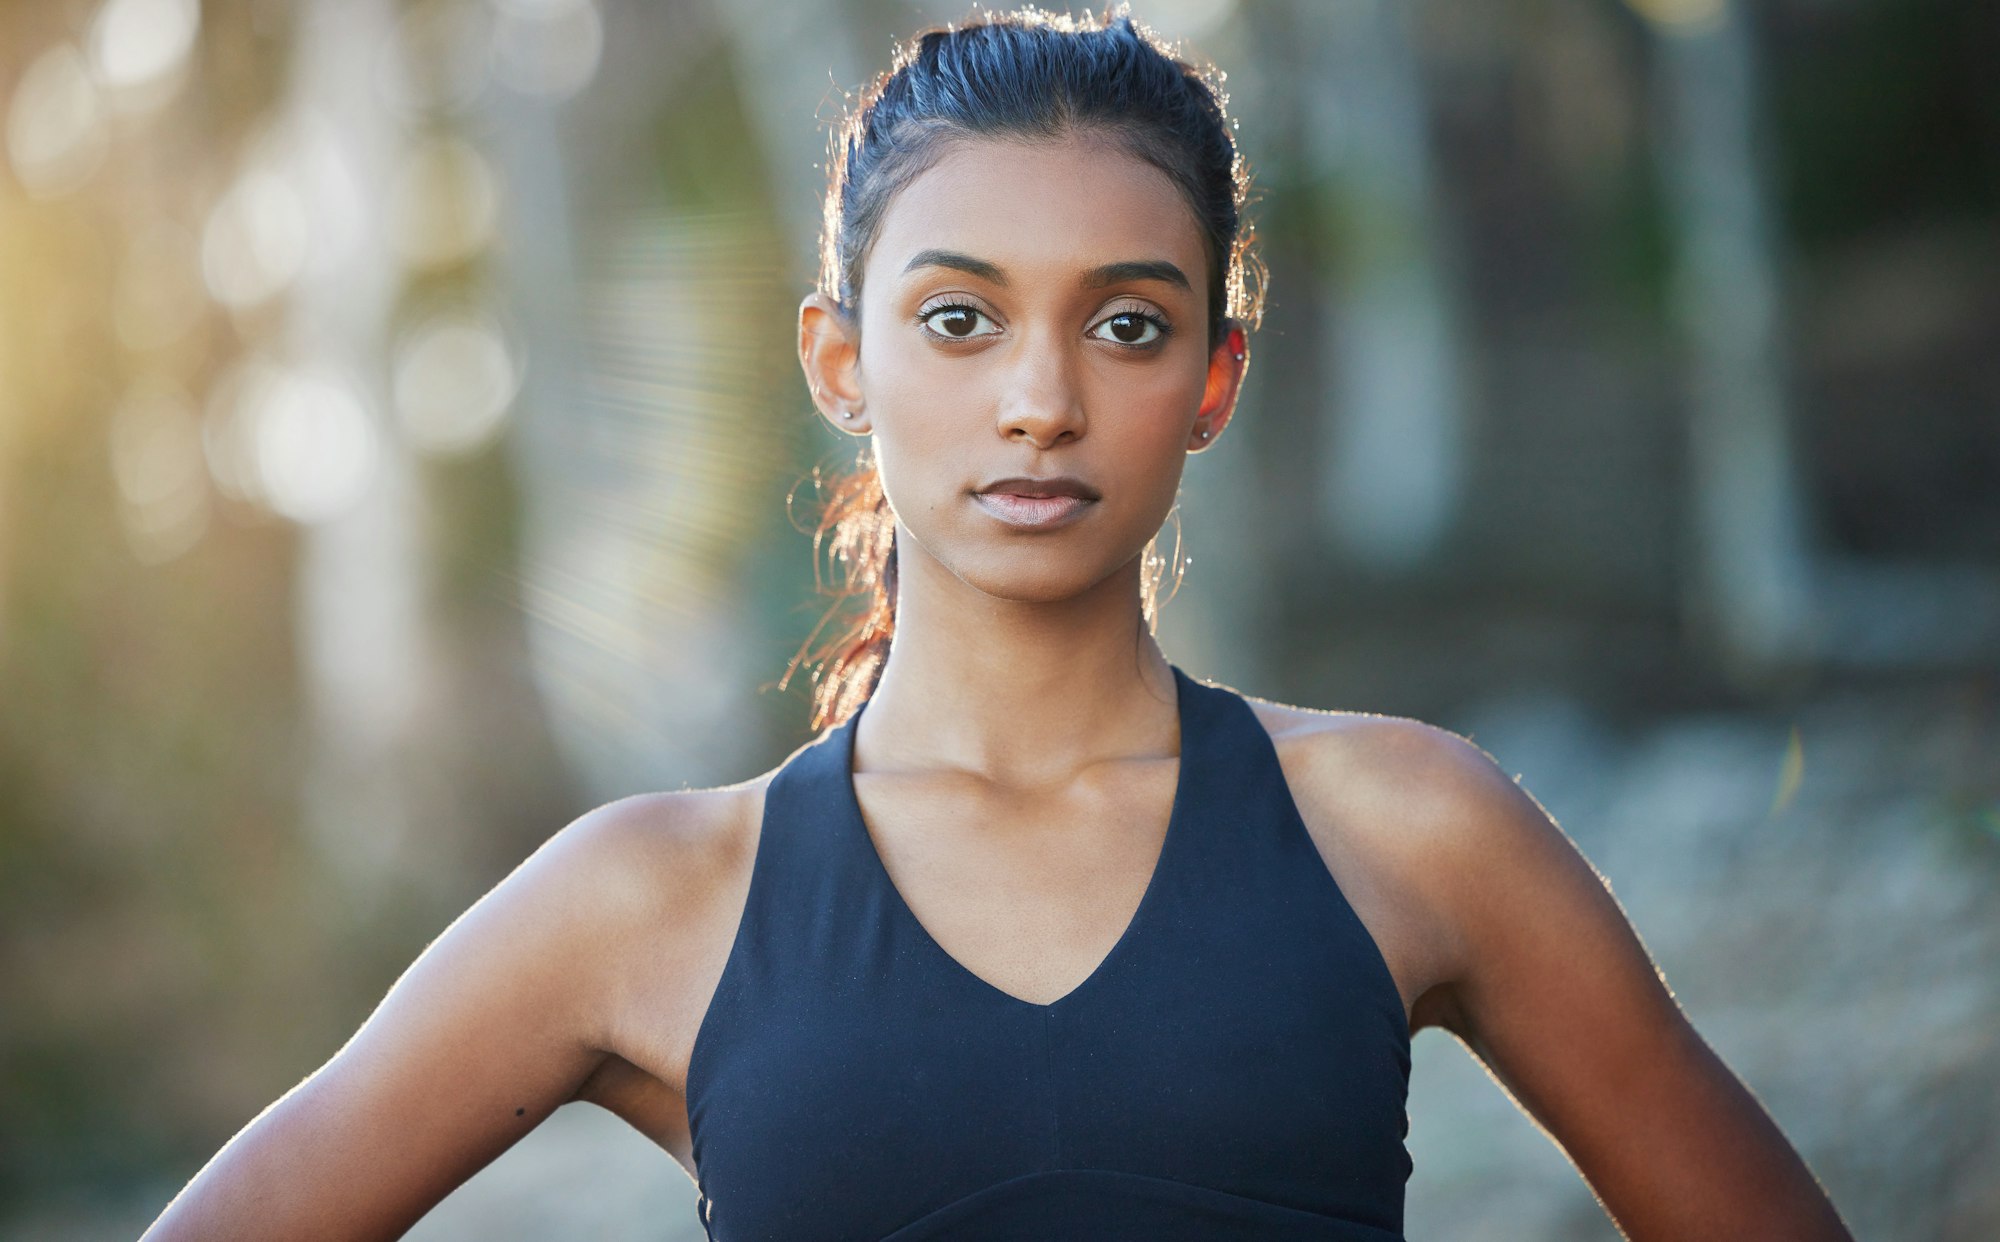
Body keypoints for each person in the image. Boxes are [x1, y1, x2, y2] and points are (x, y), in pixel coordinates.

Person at [144, 9, 1856, 1241]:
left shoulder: (1411, 829)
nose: (1039, 399)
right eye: (959, 318)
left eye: (1125, 323)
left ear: (1212, 379)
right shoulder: (655, 898)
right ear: (840, 362)